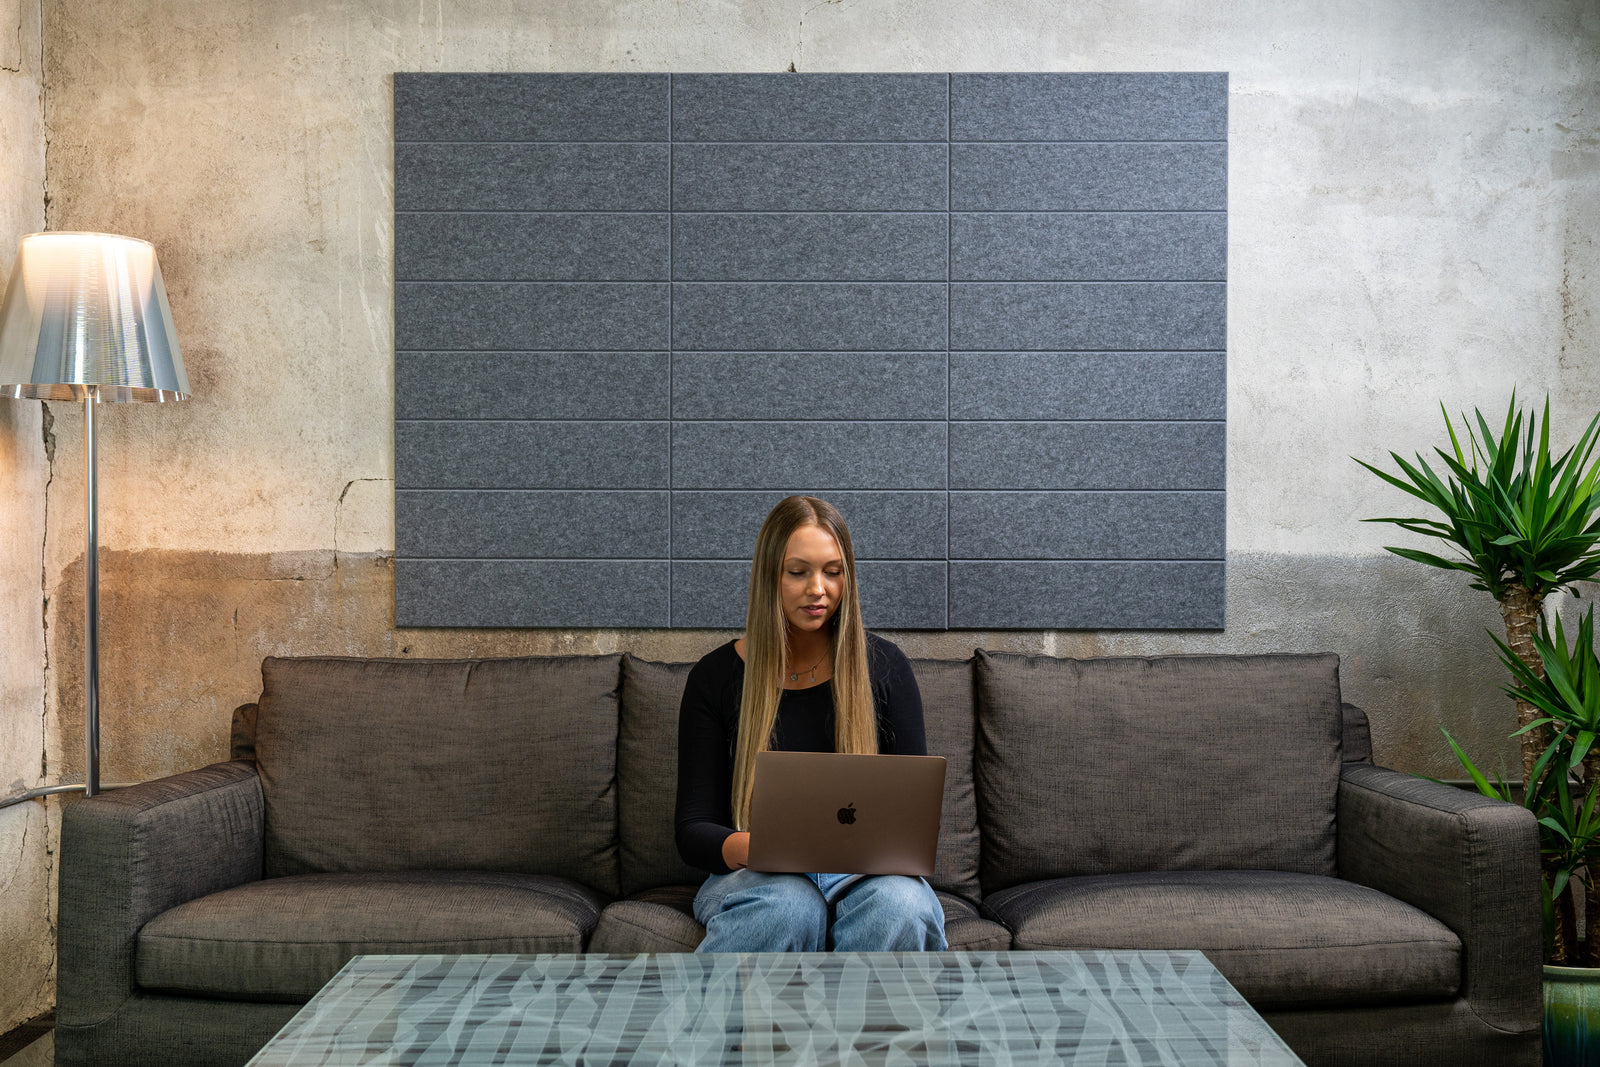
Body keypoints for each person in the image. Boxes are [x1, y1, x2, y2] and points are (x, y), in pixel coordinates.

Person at [674, 495, 947, 953]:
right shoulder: (715, 677)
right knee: (788, 905)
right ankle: (726, 1026)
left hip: (866, 877)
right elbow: (693, 829)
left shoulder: (885, 668)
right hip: (757, 875)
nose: (817, 588)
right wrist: (765, 846)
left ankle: (879, 1028)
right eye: (798, 572)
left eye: (832, 572)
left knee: (900, 905)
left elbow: (911, 820)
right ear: (769, 577)